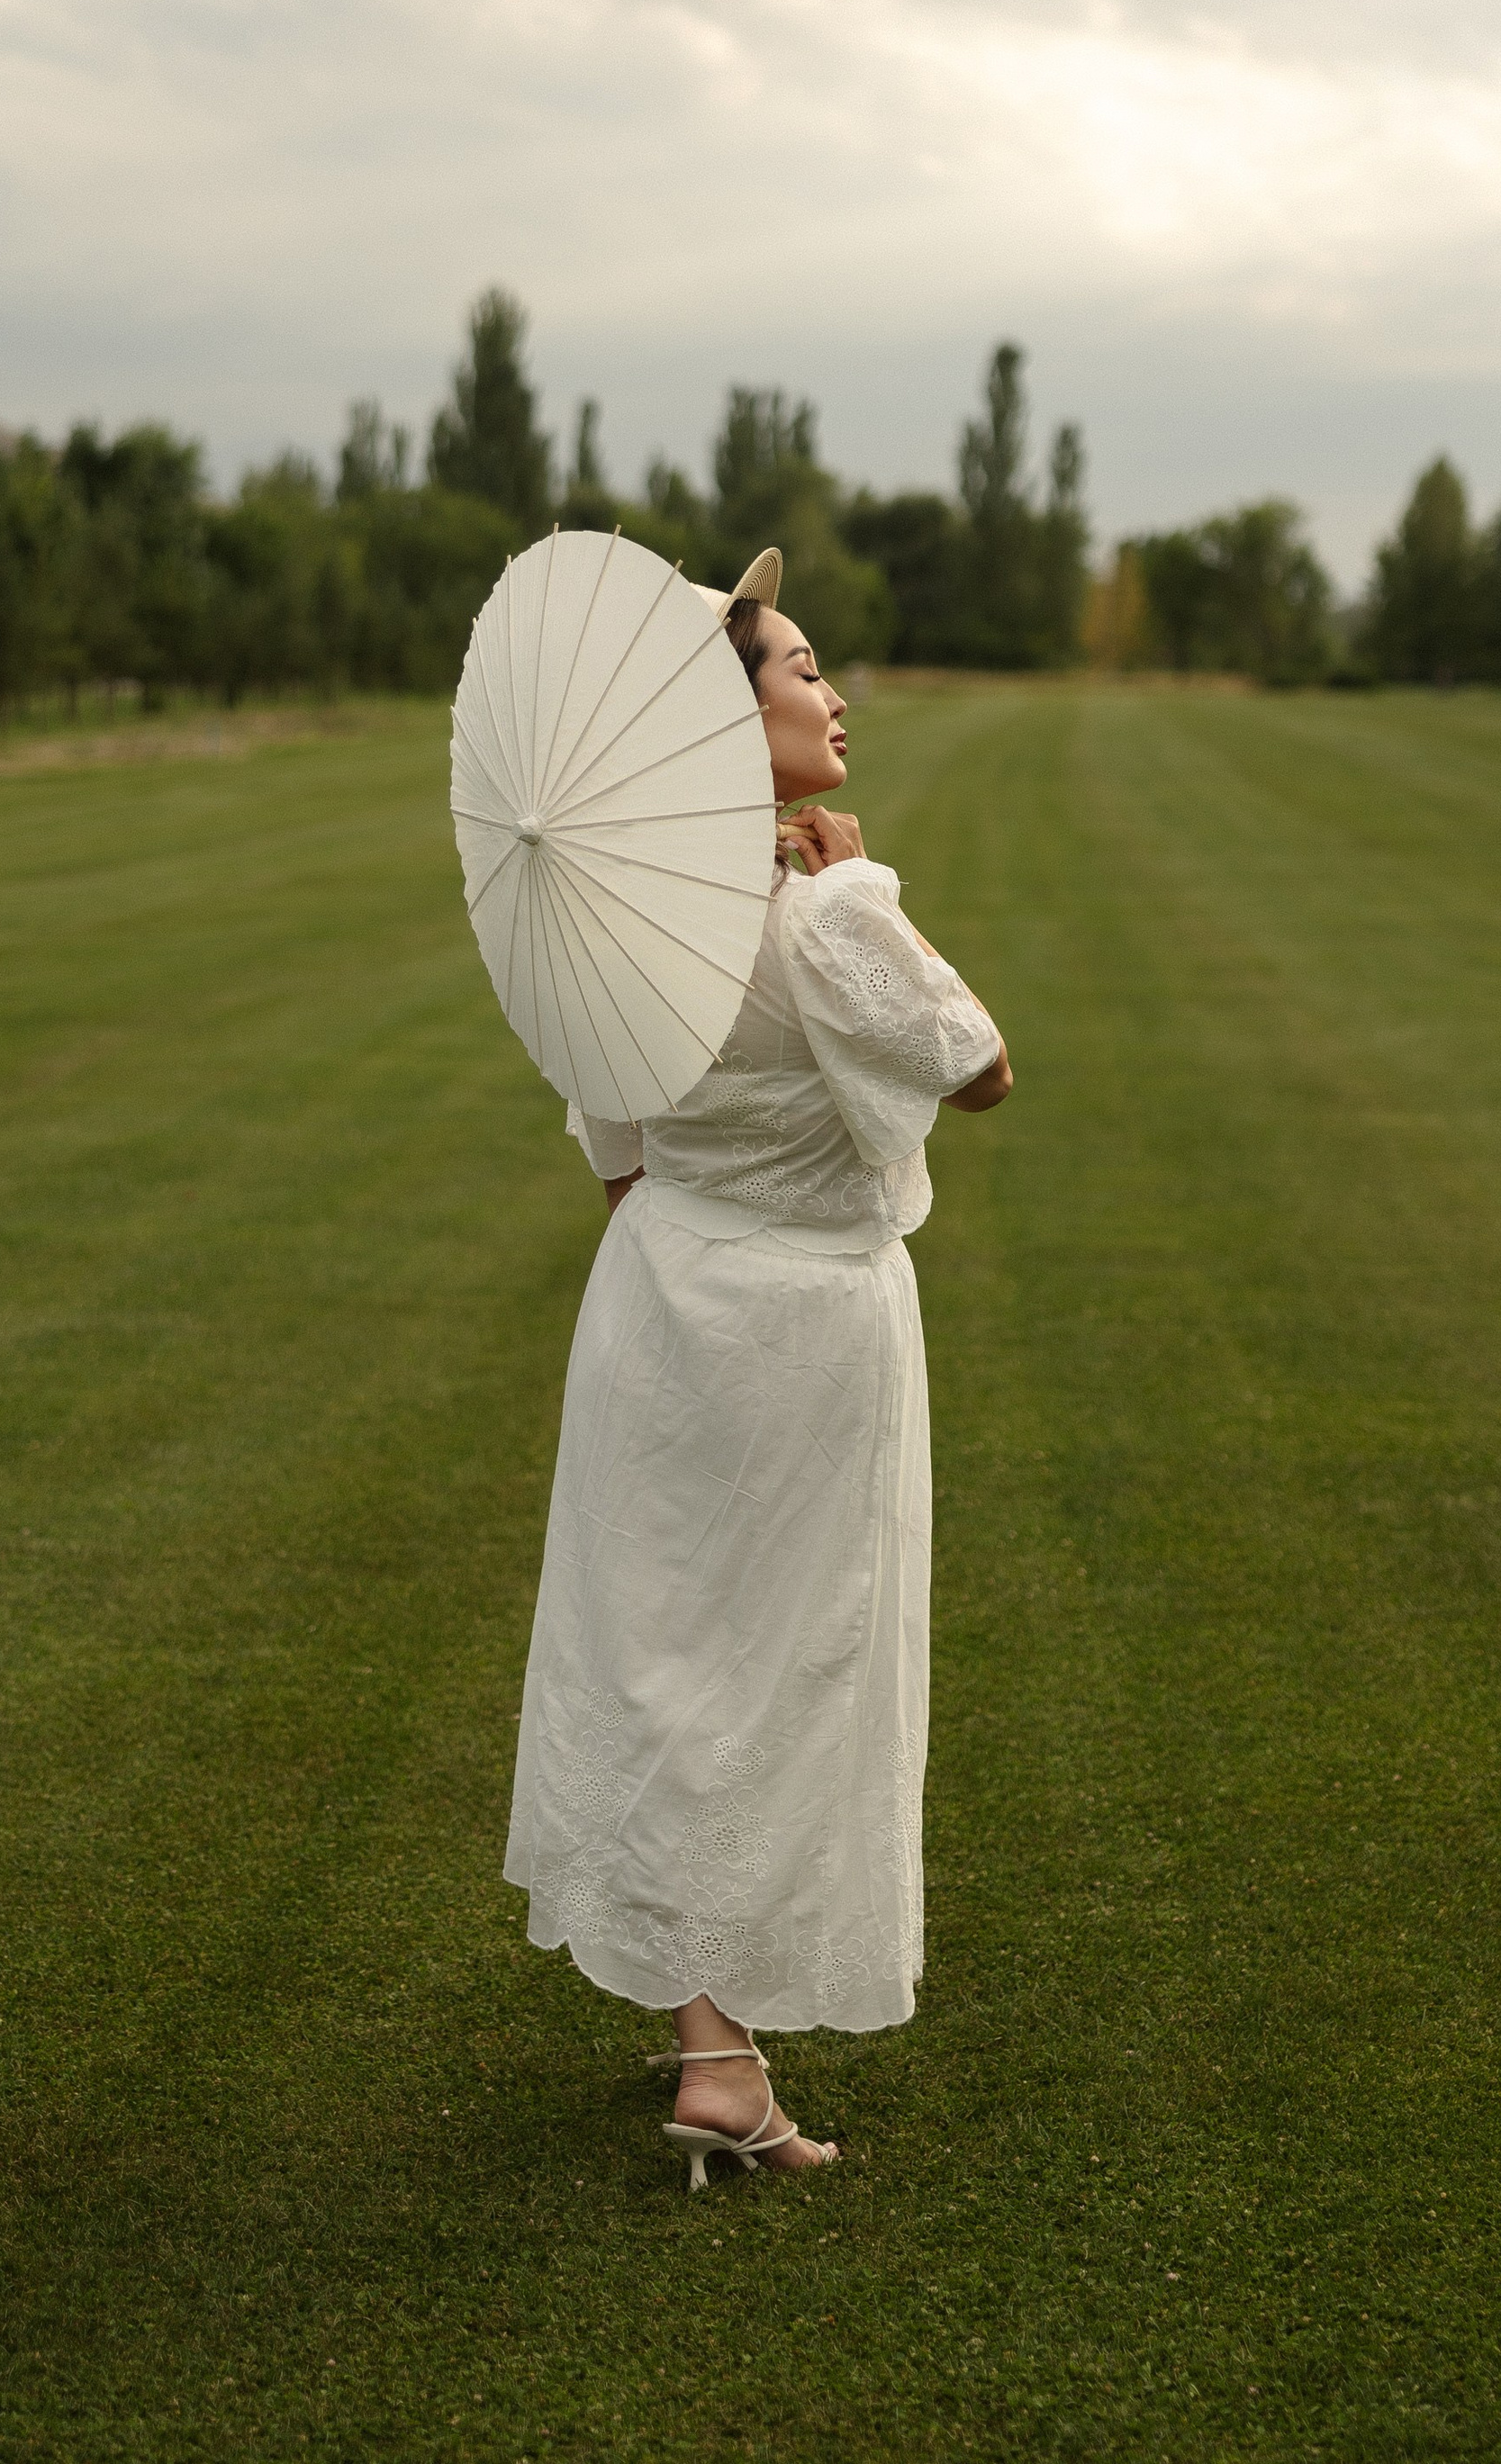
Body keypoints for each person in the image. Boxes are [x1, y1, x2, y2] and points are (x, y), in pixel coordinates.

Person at [503, 545, 1013, 2188]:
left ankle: (708, 2028)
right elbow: (981, 1068)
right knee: (787, 1669)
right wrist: (862, 892)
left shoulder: (618, 935)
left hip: (659, 1305)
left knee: (665, 1654)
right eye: (801, 667)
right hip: (805, 1326)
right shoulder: (822, 916)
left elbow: (622, 1160)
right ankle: (720, 2055)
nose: (833, 690)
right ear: (732, 727)